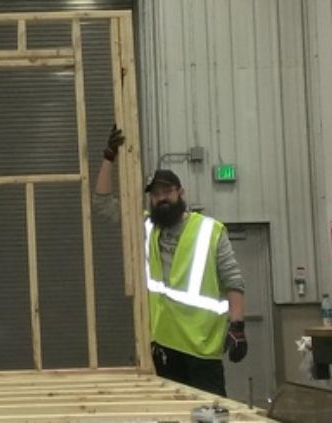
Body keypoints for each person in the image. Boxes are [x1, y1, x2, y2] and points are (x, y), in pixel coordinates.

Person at [93, 125, 248, 396]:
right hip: (162, 346)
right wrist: (108, 157)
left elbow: (233, 279)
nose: (161, 198)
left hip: (202, 350)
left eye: (166, 192)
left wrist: (238, 326)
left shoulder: (209, 230)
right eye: (155, 194)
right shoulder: (147, 227)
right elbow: (103, 203)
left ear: (181, 193)